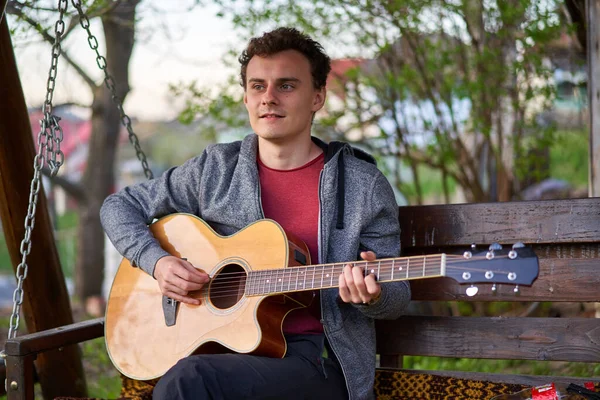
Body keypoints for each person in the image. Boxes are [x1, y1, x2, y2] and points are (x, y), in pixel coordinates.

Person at [100, 27, 411, 400]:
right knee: (196, 377)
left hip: (318, 363)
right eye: (258, 86)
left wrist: (373, 296)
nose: (269, 98)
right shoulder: (216, 169)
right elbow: (119, 206)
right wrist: (158, 263)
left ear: (317, 96)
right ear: (246, 98)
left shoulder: (362, 185)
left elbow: (396, 293)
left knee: (191, 381)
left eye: (286, 86)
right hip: (220, 349)